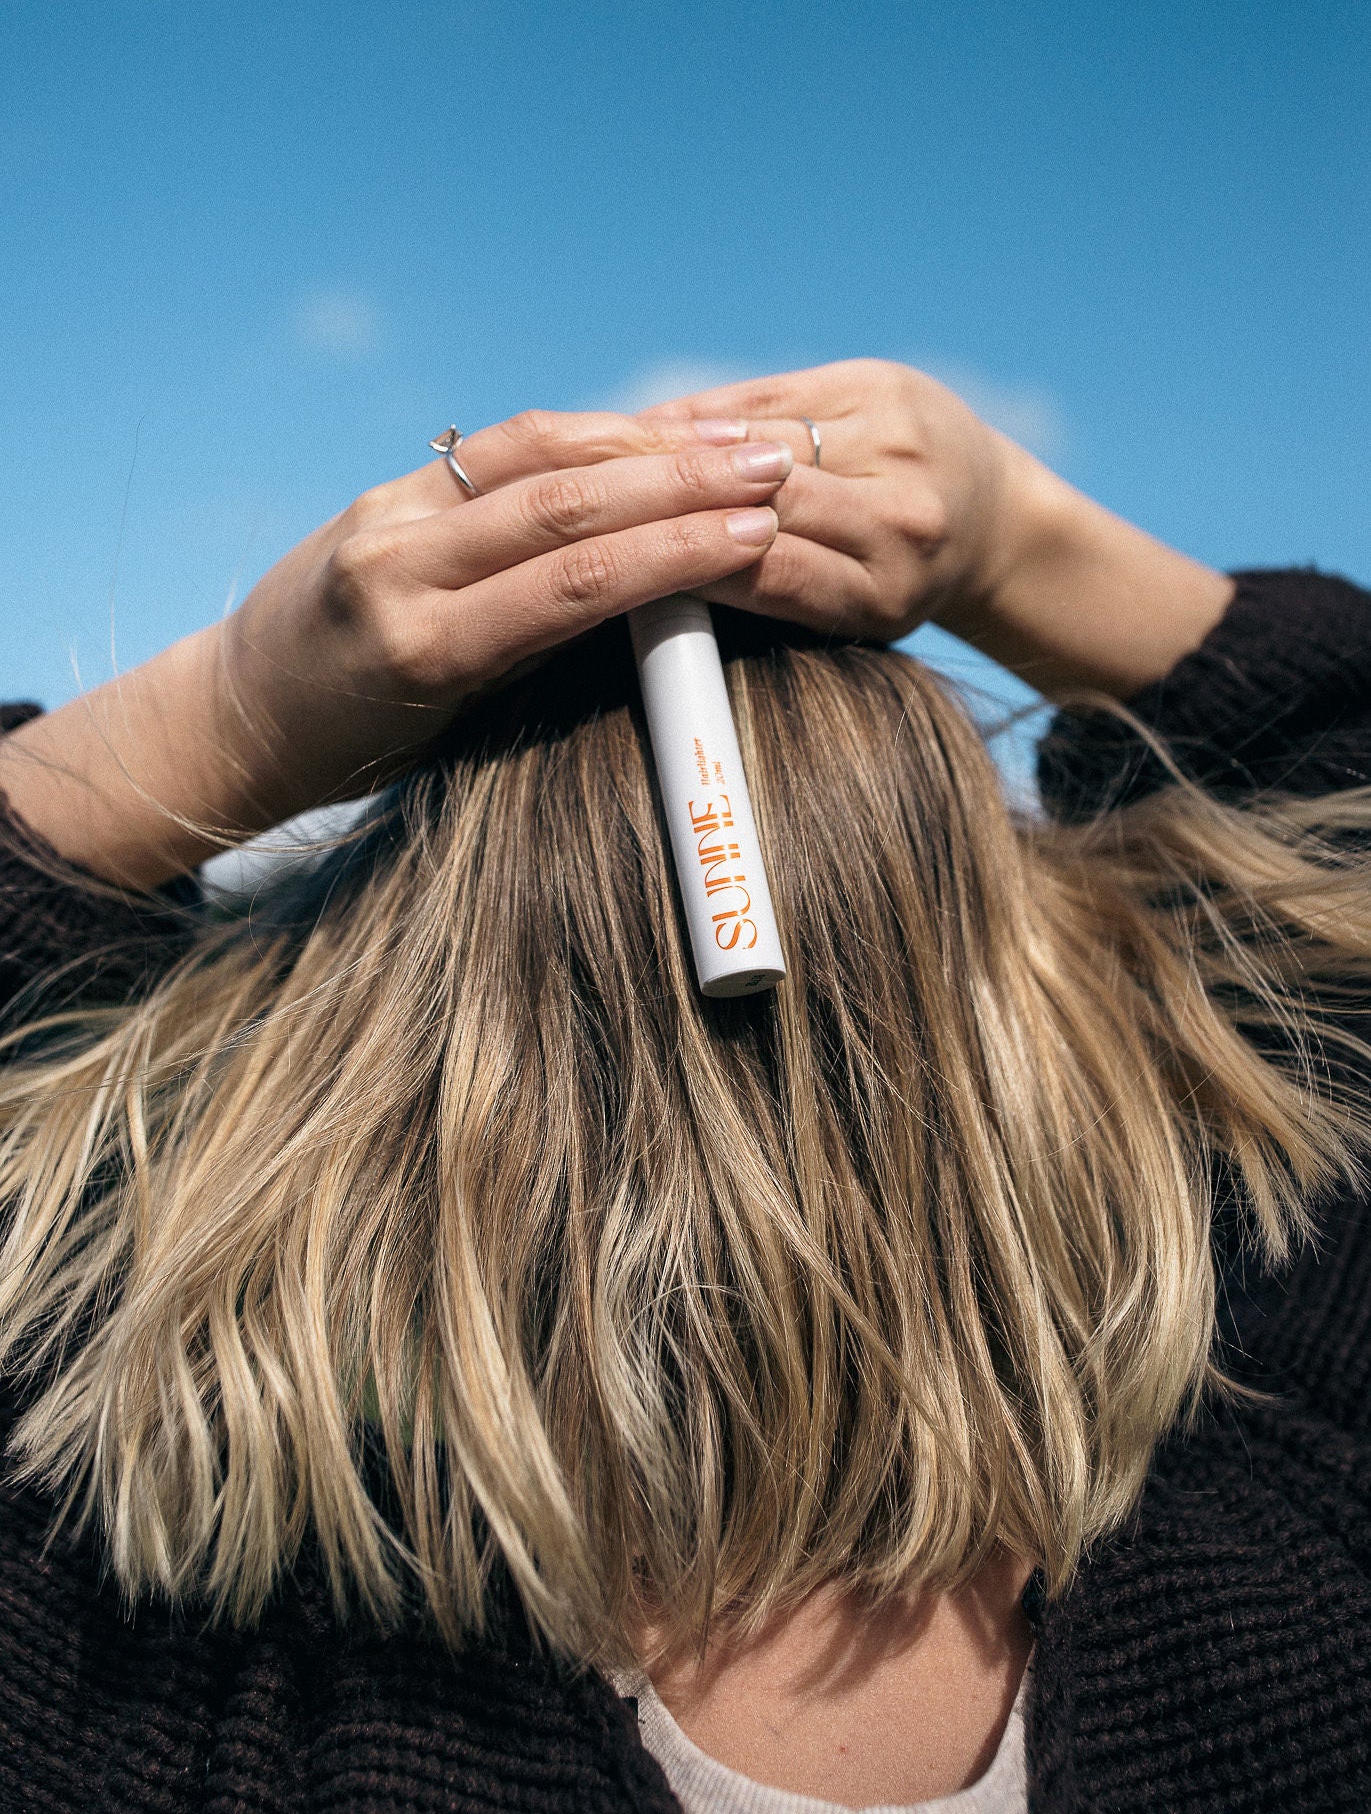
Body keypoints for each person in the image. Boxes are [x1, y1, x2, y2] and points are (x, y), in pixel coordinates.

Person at [0, 358, 1368, 1814]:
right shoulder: (1301, 1513)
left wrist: (232, 703)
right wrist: (1015, 537)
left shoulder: (160, 1638)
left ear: (375, 1026)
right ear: (1034, 1004)